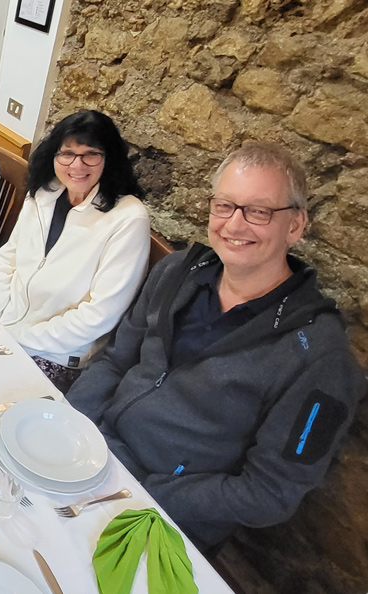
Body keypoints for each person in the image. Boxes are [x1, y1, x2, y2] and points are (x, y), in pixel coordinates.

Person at [65, 142, 366, 550]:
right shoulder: (178, 271)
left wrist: (145, 493)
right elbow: (118, 359)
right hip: (94, 456)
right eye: (224, 206)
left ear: (295, 225)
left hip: (163, 517)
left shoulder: (319, 354)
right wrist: (73, 427)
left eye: (258, 211)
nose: (234, 225)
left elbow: (271, 493)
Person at [0, 110, 151, 392]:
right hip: (5, 326)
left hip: (57, 356)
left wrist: (17, 337)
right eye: (68, 153)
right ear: (54, 155)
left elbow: (98, 316)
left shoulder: (128, 219)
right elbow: (7, 257)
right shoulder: (44, 192)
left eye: (91, 154)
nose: (77, 165)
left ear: (108, 158)